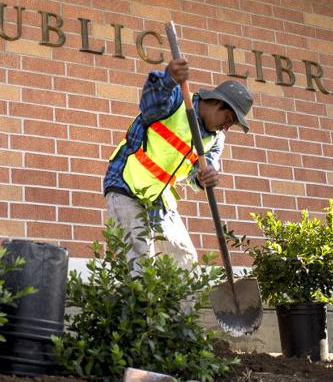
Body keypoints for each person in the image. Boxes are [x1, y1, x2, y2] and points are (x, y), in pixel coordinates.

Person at [103, 57, 253, 271]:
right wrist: (168, 80)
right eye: (228, 119)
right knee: (138, 261)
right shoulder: (177, 100)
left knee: (184, 261)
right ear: (218, 103)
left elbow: (200, 172)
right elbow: (150, 104)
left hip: (158, 197)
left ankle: (180, 296)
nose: (227, 127)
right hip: (126, 184)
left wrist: (204, 177)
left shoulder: (215, 139)